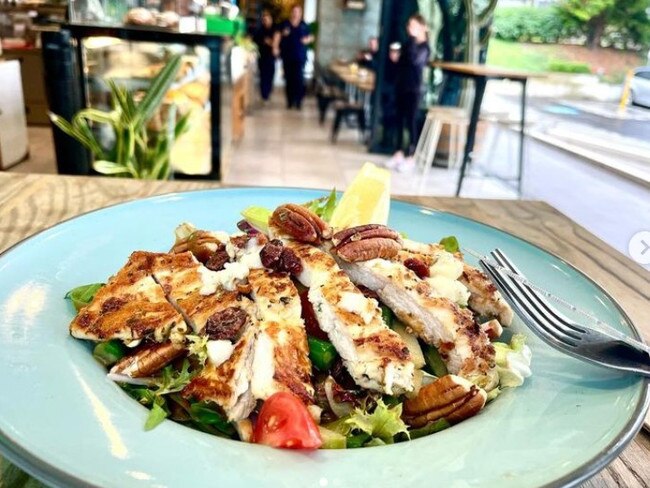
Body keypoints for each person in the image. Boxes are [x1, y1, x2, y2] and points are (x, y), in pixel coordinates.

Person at [386, 14, 430, 172]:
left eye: (413, 26)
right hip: (401, 87)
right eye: (409, 26)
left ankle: (411, 157)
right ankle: (398, 153)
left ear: (422, 27)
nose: (410, 30)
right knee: (399, 120)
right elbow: (402, 63)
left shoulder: (424, 47)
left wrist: (411, 40)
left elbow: (414, 61)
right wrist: (395, 58)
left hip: (413, 90)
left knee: (411, 122)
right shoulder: (408, 44)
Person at [278, 4, 313, 110]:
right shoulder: (285, 24)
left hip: (300, 56)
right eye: (294, 11)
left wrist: (307, 40)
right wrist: (282, 36)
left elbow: (311, 37)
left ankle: (298, 101)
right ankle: (290, 101)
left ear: (301, 13)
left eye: (298, 12)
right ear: (291, 12)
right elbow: (277, 35)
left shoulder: (304, 25)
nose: (296, 14)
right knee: (289, 79)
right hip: (287, 56)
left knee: (298, 79)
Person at [253, 10, 278, 103]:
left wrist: (271, 43)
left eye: (267, 19)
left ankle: (267, 93)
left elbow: (276, 42)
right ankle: (264, 96)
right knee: (263, 76)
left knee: (270, 75)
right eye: (264, 19)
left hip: (271, 57)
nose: (266, 21)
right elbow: (255, 40)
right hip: (262, 56)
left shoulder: (275, 29)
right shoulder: (260, 30)